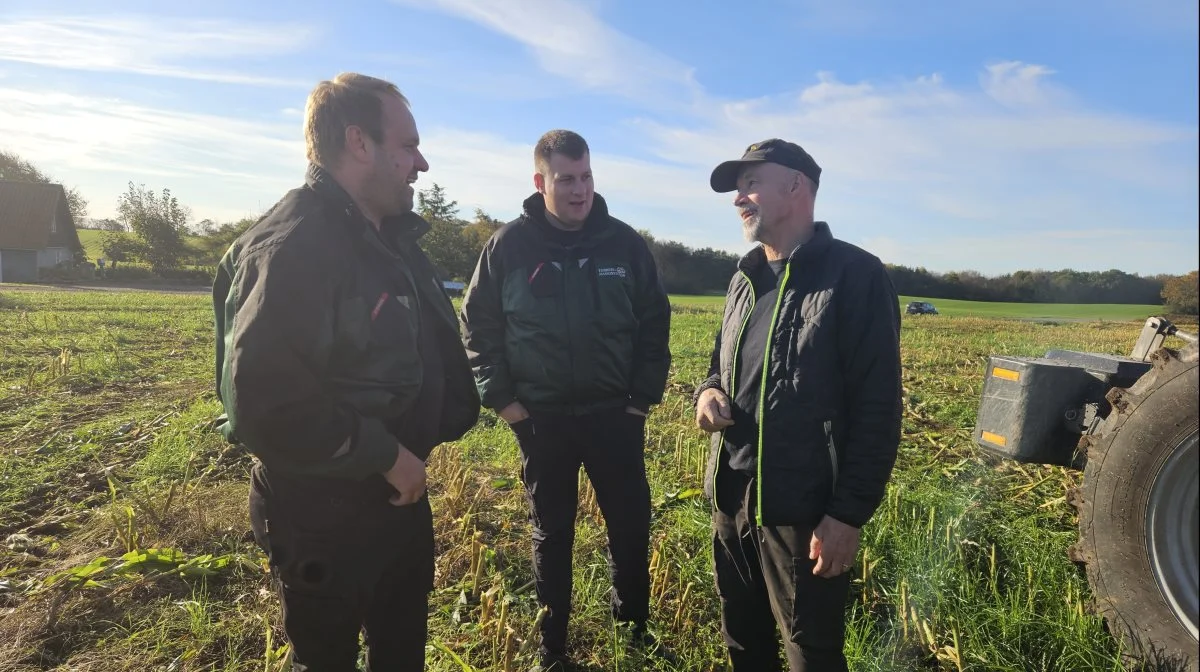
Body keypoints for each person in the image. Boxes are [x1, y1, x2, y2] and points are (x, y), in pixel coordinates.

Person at [211, 72, 481, 671]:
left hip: (396, 495)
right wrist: (385, 455)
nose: (422, 162)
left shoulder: (391, 238)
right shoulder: (295, 246)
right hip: (322, 510)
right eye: (408, 145)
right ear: (360, 143)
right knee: (326, 658)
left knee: (402, 650)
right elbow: (266, 403)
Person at [459, 130, 673, 671]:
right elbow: (478, 326)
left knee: (629, 524)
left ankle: (633, 634)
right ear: (540, 182)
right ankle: (551, 646)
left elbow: (654, 323)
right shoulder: (508, 246)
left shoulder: (625, 244)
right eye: (565, 180)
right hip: (542, 419)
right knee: (551, 531)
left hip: (615, 416)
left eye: (586, 177)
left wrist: (640, 401)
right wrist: (504, 401)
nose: (579, 191)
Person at [692, 139, 903, 671]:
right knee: (742, 635)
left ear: (796, 187)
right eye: (737, 188)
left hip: (803, 509)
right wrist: (709, 392)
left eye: (750, 183)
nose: (739, 197)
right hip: (732, 494)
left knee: (809, 651)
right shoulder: (744, 278)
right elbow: (720, 367)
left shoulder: (855, 276)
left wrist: (847, 515)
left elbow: (879, 408)